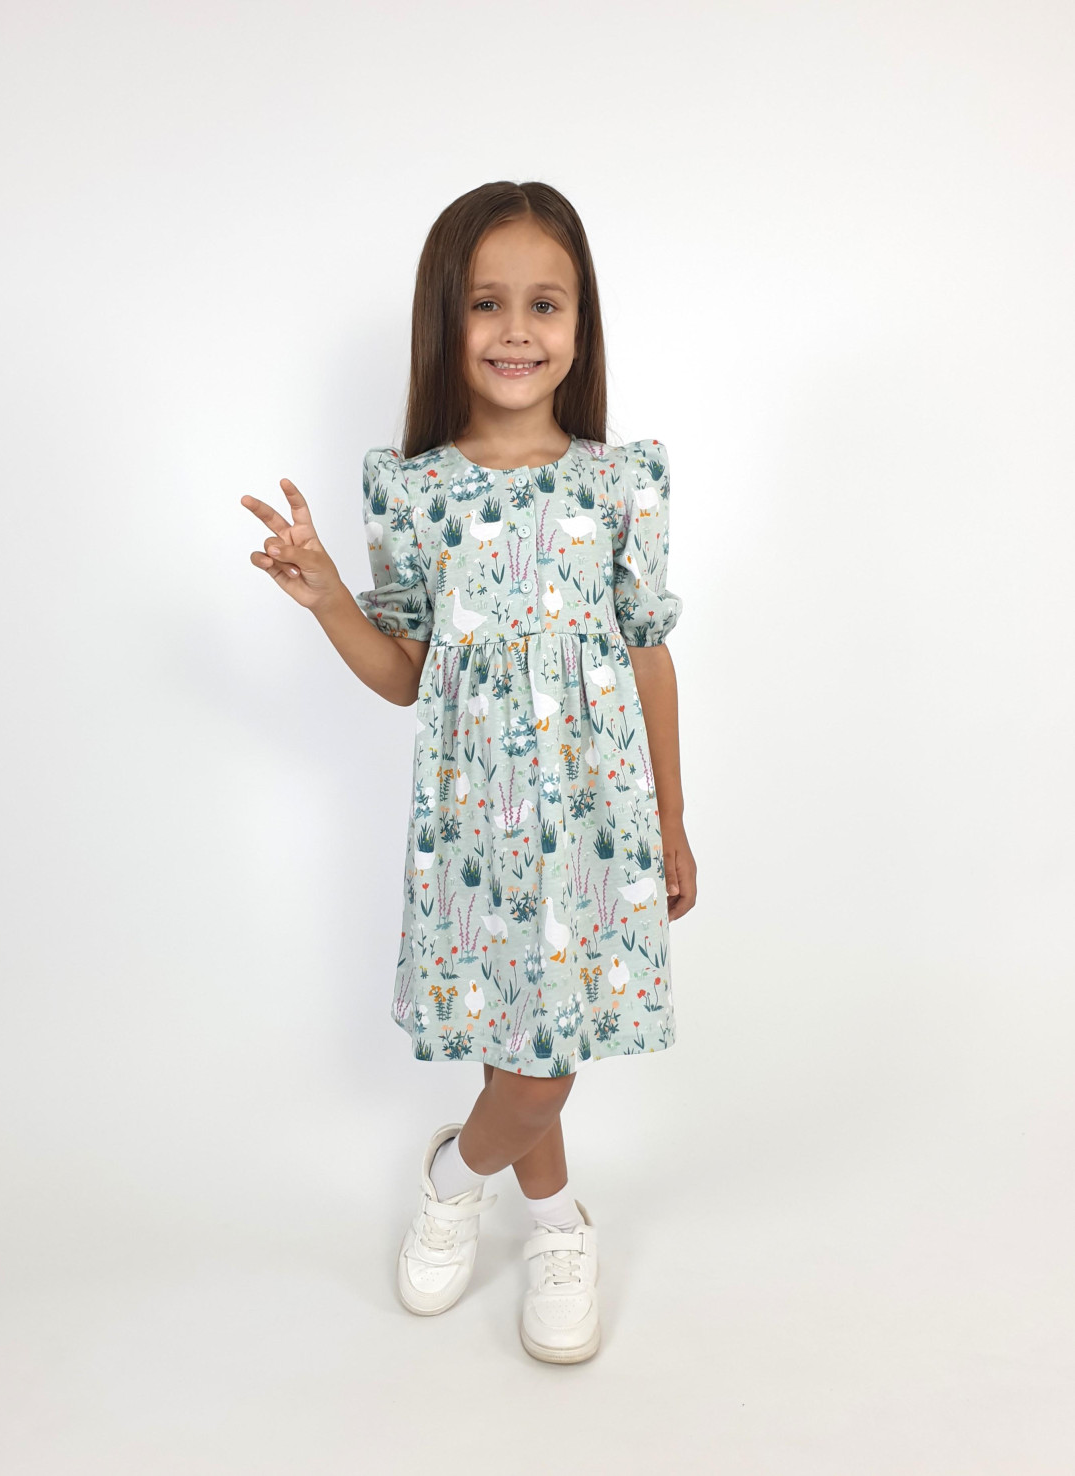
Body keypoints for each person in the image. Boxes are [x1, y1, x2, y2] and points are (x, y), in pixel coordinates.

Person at [241, 180, 697, 1364]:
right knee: (524, 1062)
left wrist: (672, 820)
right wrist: (330, 598)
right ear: (444, 320)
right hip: (475, 830)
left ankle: (457, 1178)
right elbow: (403, 676)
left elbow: (648, 656)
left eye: (544, 304)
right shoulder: (417, 492)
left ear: (580, 324)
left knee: (540, 1065)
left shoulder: (621, 483)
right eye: (486, 304)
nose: (514, 331)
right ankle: (551, 1222)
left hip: (595, 827)